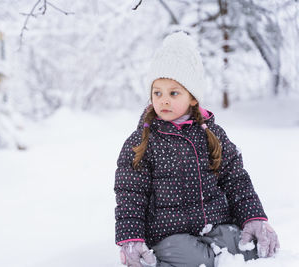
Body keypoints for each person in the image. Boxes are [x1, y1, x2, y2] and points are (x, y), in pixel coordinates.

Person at [114, 31, 280, 267]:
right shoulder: (143, 141)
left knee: (246, 249)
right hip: (168, 234)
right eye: (157, 92)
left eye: (174, 93)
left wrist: (253, 217)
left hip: (214, 225)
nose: (164, 100)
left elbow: (235, 179)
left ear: (193, 98)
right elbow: (130, 194)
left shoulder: (212, 134)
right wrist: (131, 238)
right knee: (196, 260)